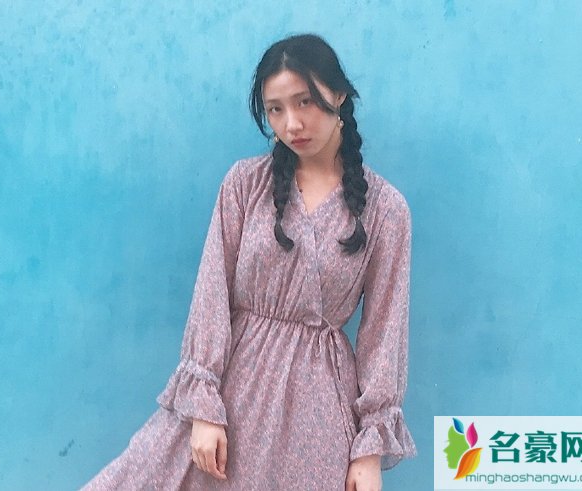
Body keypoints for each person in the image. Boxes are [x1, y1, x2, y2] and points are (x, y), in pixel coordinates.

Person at [79, 33, 416, 491]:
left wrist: (369, 452)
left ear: (338, 94)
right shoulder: (245, 185)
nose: (292, 123)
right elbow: (211, 295)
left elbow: (384, 336)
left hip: (317, 417)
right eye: (275, 109)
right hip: (229, 397)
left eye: (305, 101)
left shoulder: (386, 211)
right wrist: (203, 409)